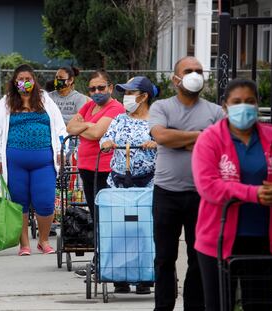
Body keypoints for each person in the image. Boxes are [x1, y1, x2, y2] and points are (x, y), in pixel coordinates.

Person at [192, 78, 272, 311]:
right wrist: (254, 193)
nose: (244, 106)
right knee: (220, 305)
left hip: (264, 239)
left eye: (250, 101)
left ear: (258, 104)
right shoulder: (210, 139)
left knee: (260, 305)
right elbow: (208, 186)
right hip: (217, 239)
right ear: (225, 106)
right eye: (237, 102)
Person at [149, 56, 225, 311]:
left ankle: (195, 307)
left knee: (199, 258)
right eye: (189, 70)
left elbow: (221, 144)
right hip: (166, 194)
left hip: (202, 197)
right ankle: (163, 307)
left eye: (199, 71)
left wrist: (178, 138)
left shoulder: (215, 111)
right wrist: (202, 137)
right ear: (175, 79)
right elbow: (160, 135)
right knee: (164, 258)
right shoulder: (161, 107)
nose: (195, 75)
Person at [0, 64, 66, 256]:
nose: (24, 83)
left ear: (34, 80)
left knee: (46, 201)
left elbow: (59, 127)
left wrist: (62, 151)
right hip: (15, 163)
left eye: (28, 79)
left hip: (44, 162)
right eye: (20, 79)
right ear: (15, 82)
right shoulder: (6, 103)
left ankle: (44, 240)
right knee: (19, 202)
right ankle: (24, 244)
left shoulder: (45, 99)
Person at [100, 76, 158, 294]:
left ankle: (145, 277)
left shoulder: (155, 121)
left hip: (147, 183)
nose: (126, 97)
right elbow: (106, 138)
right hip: (119, 181)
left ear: (143, 97)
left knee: (144, 230)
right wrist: (106, 143)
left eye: (130, 93)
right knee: (119, 229)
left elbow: (164, 140)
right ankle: (119, 276)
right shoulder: (119, 119)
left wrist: (155, 142)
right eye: (125, 93)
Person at [66, 70, 125, 277]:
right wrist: (88, 126)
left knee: (107, 217)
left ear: (110, 87)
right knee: (96, 216)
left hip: (105, 169)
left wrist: (85, 128)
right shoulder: (89, 105)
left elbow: (98, 133)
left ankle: (108, 261)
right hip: (87, 167)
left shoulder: (116, 108)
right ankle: (100, 259)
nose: (97, 92)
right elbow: (70, 127)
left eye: (101, 88)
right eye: (92, 89)